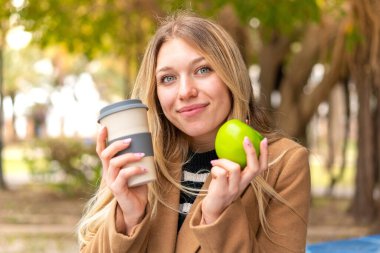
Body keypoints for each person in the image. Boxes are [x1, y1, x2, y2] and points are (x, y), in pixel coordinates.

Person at [77, 11, 311, 253]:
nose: (185, 91)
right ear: (155, 93)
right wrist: (129, 218)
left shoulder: (283, 163)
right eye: (168, 78)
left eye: (202, 70)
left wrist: (217, 214)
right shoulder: (140, 160)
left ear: (231, 76)